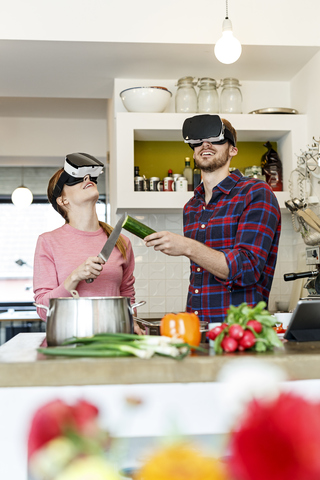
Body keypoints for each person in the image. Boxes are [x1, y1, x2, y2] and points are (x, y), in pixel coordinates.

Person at [144, 114, 281, 323]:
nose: (205, 144)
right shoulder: (192, 206)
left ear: (233, 149)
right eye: (198, 140)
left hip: (239, 331)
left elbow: (247, 268)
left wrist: (187, 247)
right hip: (196, 328)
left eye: (216, 138)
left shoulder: (255, 193)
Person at [33, 152, 142, 334]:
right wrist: (75, 277)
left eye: (90, 177)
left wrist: (134, 323)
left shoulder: (121, 242)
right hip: (71, 340)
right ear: (63, 200)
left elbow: (127, 295)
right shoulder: (48, 242)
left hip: (115, 338)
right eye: (73, 179)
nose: (86, 179)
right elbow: (44, 310)